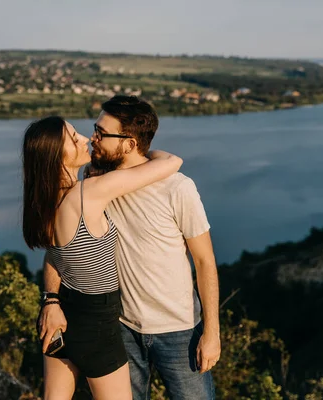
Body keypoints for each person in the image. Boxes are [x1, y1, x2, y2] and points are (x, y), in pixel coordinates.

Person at [41, 96, 221, 400]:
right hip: (120, 327)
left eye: (101, 133)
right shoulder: (92, 181)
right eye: (94, 130)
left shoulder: (178, 188)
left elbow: (204, 261)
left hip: (178, 331)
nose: (92, 140)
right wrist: (51, 299)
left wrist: (212, 333)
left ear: (128, 143)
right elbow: (60, 249)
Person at [22, 115, 183, 400]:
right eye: (73, 139)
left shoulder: (43, 203)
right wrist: (144, 150)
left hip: (61, 315)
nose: (84, 139)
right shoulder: (87, 195)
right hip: (97, 324)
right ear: (56, 157)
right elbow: (172, 162)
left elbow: (55, 257)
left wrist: (51, 300)